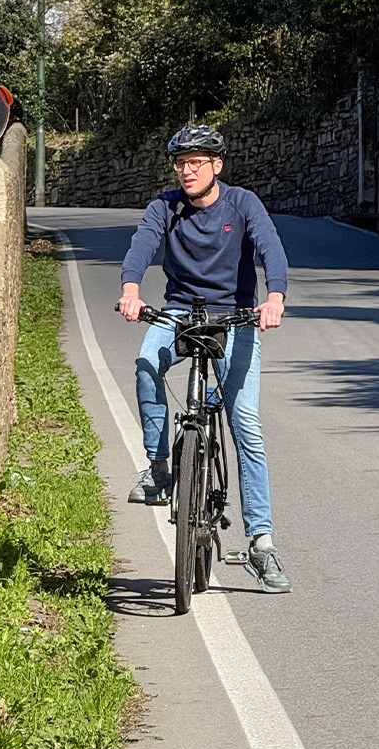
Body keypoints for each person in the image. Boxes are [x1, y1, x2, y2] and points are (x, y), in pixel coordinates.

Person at [115, 123, 292, 593]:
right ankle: (158, 469)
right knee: (147, 363)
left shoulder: (243, 204)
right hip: (179, 313)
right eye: (181, 162)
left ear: (217, 166)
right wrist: (131, 290)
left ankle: (261, 544)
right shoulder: (165, 207)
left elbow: (271, 249)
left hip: (235, 317)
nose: (187, 170)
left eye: (197, 162)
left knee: (245, 426)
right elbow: (140, 247)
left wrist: (274, 297)